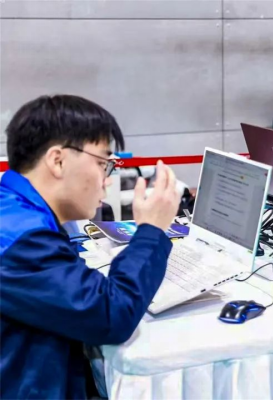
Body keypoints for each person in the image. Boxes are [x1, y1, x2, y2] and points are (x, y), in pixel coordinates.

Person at [0, 95, 181, 398]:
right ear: (57, 161)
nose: (106, 180)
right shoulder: (21, 238)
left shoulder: (16, 211)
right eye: (102, 163)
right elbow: (111, 315)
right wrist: (151, 231)